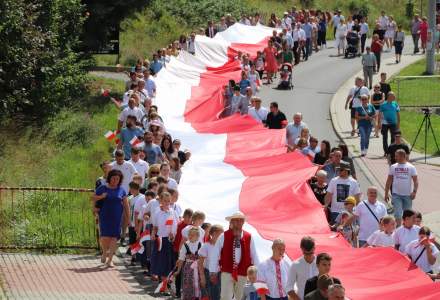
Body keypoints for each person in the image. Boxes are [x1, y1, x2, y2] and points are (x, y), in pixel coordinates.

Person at [209, 212, 258, 300]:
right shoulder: (223, 236)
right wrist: (213, 271)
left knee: (241, 297)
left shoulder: (248, 236)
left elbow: (254, 254)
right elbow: (215, 254)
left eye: (240, 220)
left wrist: (257, 271)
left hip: (243, 272)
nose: (238, 222)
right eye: (236, 220)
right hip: (227, 271)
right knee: (225, 297)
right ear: (231, 222)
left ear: (243, 222)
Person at [93, 169, 129, 267]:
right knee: (104, 237)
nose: (115, 181)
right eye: (113, 178)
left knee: (114, 237)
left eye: (117, 179)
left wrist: (128, 217)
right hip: (104, 215)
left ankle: (110, 259)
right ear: (109, 178)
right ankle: (105, 252)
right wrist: (101, 197)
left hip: (117, 217)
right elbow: (93, 198)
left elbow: (126, 205)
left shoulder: (122, 190)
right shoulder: (102, 188)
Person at [150, 192, 179, 283]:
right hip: (160, 239)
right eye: (165, 201)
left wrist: (173, 235)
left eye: (169, 201)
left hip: (169, 240)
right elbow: (155, 226)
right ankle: (161, 279)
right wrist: (153, 234)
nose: (167, 203)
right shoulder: (157, 211)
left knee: (167, 261)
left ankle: (165, 280)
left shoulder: (173, 212)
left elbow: (176, 224)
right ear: (161, 201)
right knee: (159, 259)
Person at [385, 149, 418, 226]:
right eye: (395, 156)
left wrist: (414, 192)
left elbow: (416, 181)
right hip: (396, 195)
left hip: (407, 195)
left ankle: (406, 230)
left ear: (403, 156)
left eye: (397, 156)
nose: (395, 157)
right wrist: (386, 193)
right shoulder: (393, 167)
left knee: (407, 215)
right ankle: (398, 230)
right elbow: (389, 181)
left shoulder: (411, 167)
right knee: (398, 214)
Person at [175, 227, 203, 299]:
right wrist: (178, 270)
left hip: (198, 268)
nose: (190, 236)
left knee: (198, 284)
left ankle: (197, 297)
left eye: (192, 235)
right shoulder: (185, 245)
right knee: (188, 284)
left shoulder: (201, 245)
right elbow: (181, 259)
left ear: (197, 236)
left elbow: (204, 258)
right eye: (189, 235)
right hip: (188, 268)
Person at [199, 225, 224, 300]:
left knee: (218, 294)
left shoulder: (222, 246)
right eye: (221, 233)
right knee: (210, 294)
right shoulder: (206, 246)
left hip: (220, 272)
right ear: (213, 233)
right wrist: (202, 276)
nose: (222, 236)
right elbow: (200, 263)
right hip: (208, 273)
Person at [379, 91, 400, 156]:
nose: (394, 97)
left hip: (393, 123)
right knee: (385, 137)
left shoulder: (395, 104)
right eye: (393, 96)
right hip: (385, 123)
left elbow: (398, 114)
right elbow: (379, 114)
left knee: (393, 138)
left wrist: (398, 123)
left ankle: (391, 151)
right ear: (389, 97)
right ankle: (386, 151)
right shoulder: (383, 105)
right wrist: (379, 123)